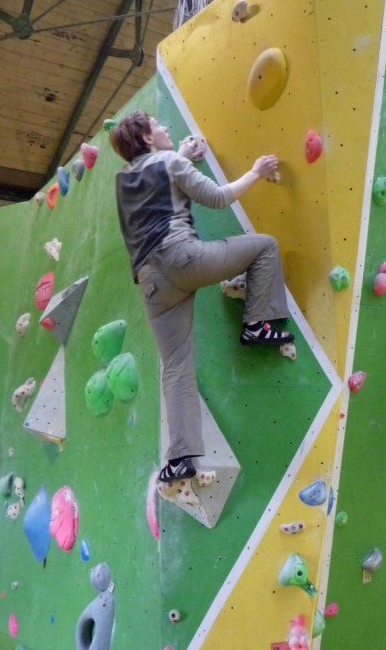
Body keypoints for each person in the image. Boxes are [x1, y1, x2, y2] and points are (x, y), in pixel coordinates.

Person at [110, 110, 294, 485]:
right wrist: (256, 171)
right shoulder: (170, 162)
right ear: (147, 138)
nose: (165, 127)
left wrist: (180, 154)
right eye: (158, 125)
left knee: (175, 366)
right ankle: (256, 324)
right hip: (183, 258)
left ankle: (180, 460)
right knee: (265, 247)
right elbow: (218, 198)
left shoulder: (125, 179)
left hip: (152, 284)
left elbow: (159, 181)